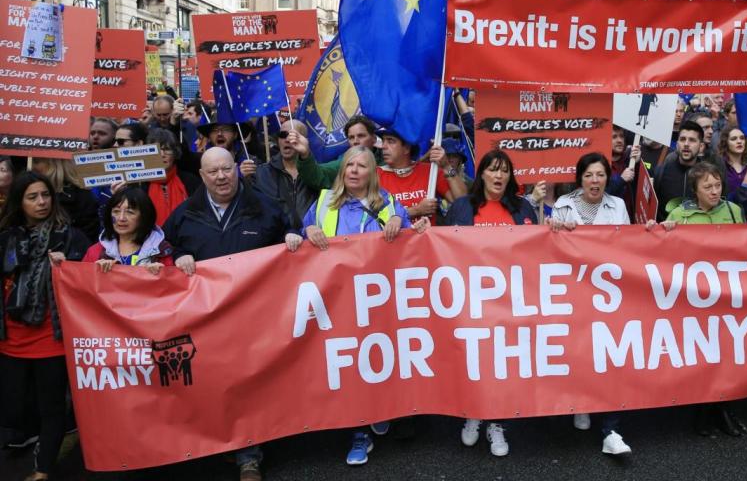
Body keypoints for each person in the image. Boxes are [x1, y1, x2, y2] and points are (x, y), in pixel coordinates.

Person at [163, 147, 300, 481]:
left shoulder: (265, 208)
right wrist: (177, 256)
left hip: (256, 315)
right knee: (217, 383)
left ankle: (248, 455)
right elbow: (163, 250)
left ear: (238, 169)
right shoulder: (183, 216)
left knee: (248, 383)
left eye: (227, 169)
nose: (221, 177)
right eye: (213, 172)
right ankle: (224, 441)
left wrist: (293, 237)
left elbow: (289, 233)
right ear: (202, 175)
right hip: (207, 318)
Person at [297, 146, 428, 465]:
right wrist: (305, 231)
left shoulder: (388, 204)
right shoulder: (324, 202)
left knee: (379, 361)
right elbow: (301, 239)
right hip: (339, 302)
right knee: (351, 368)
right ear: (342, 171)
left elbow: (411, 247)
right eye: (349, 165)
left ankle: (379, 409)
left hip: (378, 301)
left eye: (361, 165)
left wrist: (415, 228)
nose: (354, 170)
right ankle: (359, 433)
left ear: (372, 172)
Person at [441, 150, 538, 456]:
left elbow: (536, 250)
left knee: (502, 364)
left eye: (504, 171)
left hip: (509, 300)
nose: (498, 176)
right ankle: (473, 413)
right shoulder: (461, 207)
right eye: (493, 170)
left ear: (510, 177)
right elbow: (441, 247)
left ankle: (497, 422)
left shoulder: (522, 207)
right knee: (473, 360)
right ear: (480, 173)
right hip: (470, 299)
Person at [656, 163, 747, 438]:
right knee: (703, 356)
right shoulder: (679, 214)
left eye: (718, 185)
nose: (715, 192)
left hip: (727, 295)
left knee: (727, 355)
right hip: (695, 298)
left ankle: (723, 410)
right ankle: (701, 413)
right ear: (694, 190)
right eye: (708, 187)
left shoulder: (733, 211)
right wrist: (662, 231)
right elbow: (660, 251)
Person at [0, 172, 89, 481]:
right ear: (19, 202)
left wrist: (70, 265)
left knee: (51, 406)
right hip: (11, 338)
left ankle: (44, 468)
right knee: (14, 406)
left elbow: (90, 278)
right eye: (32, 197)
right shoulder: (7, 237)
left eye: (45, 195)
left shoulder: (70, 236)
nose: (41, 202)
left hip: (52, 337)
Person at [548, 152, 632, 456]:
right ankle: (581, 403)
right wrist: (555, 231)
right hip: (573, 293)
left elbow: (630, 247)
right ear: (579, 178)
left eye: (599, 175)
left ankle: (611, 429)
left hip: (609, 295)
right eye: (588, 175)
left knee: (610, 355)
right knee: (580, 351)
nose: (594, 181)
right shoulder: (563, 206)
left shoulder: (618, 205)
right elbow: (551, 251)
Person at [375, 127, 467, 223]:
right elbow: (372, 217)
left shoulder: (430, 171)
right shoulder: (375, 175)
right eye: (383, 141)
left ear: (407, 148)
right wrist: (417, 210)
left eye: (390, 141)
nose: (383, 146)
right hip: (392, 238)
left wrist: (447, 166)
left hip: (428, 238)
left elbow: (462, 203)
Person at [82, 187, 174, 274]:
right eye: (116, 211)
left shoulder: (161, 250)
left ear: (144, 216)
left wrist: (162, 275)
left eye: (130, 212)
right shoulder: (95, 252)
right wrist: (95, 273)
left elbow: (173, 287)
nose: (121, 218)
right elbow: (82, 286)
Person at [251, 120, 319, 229]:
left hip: (311, 241)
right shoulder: (261, 174)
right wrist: (244, 181)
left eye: (293, 135)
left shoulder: (318, 174)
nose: (287, 140)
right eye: (283, 135)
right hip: (278, 243)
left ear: (305, 141)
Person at [31, 158, 100, 242]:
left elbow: (86, 242)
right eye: (32, 197)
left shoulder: (83, 198)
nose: (32, 166)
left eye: (36, 161)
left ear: (55, 164)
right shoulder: (24, 191)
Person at [144, 129, 201, 226]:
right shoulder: (141, 184)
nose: (162, 155)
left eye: (166, 149)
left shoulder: (191, 181)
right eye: (156, 150)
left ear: (175, 153)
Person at [653, 121, 703, 220]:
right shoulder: (661, 172)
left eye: (692, 140)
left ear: (701, 146)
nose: (686, 144)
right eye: (682, 139)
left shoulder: (708, 175)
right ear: (677, 144)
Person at [717, 126, 747, 195]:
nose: (739, 141)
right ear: (726, 142)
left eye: (742, 138)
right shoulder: (720, 165)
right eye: (734, 139)